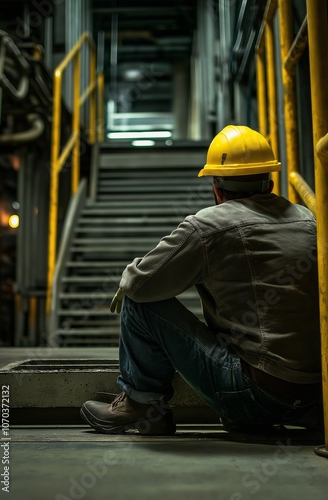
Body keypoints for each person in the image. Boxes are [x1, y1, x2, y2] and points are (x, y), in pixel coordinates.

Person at [80, 125, 322, 435]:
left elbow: (140, 284)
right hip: (318, 395)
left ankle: (142, 405)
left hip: (255, 395)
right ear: (271, 184)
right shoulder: (308, 219)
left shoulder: (209, 226)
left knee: (139, 304)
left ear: (217, 189)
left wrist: (127, 281)